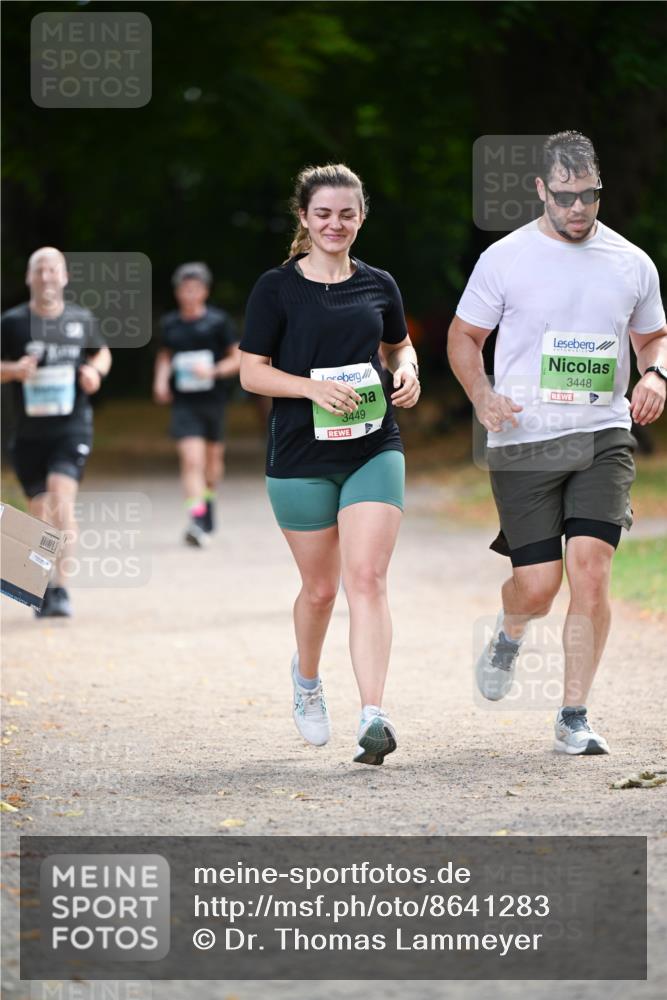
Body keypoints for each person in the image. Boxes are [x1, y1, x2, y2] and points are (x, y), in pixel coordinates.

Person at [448, 131, 666, 755]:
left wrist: (655, 373)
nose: (578, 209)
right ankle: (511, 630)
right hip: (525, 440)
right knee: (538, 586)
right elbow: (463, 338)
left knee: (591, 572)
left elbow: (654, 337)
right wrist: (483, 397)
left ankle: (574, 714)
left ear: (601, 189)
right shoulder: (506, 259)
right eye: (566, 196)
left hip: (602, 434)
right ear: (541, 189)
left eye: (589, 196)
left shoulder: (631, 262)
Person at [240, 164, 421, 765]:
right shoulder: (276, 287)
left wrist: (410, 370)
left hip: (373, 445)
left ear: (361, 217)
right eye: (323, 214)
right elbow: (251, 370)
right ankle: (309, 681)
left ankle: (374, 714)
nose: (335, 224)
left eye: (346, 213)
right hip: (300, 456)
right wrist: (311, 389)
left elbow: (397, 344)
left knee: (365, 579)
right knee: (320, 590)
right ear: (304, 218)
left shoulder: (379, 284)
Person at [1, 246, 112, 617]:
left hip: (71, 428)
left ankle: (60, 588)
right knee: (39, 511)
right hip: (29, 434)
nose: (47, 277)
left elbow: (101, 352)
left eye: (53, 270)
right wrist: (14, 370)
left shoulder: (79, 319)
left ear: (64, 277)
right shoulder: (12, 323)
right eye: (39, 270)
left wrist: (95, 372)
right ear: (30, 278)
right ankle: (41, 584)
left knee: (61, 502)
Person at [153, 262, 240, 546]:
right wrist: (161, 381)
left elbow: (237, 358)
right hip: (184, 403)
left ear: (204, 291)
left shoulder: (218, 322)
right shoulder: (170, 324)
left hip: (213, 401)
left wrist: (213, 371)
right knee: (192, 461)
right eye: (184, 289)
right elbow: (165, 355)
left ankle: (208, 500)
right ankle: (197, 519)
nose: (189, 294)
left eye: (195, 289)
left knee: (212, 466)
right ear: (178, 292)